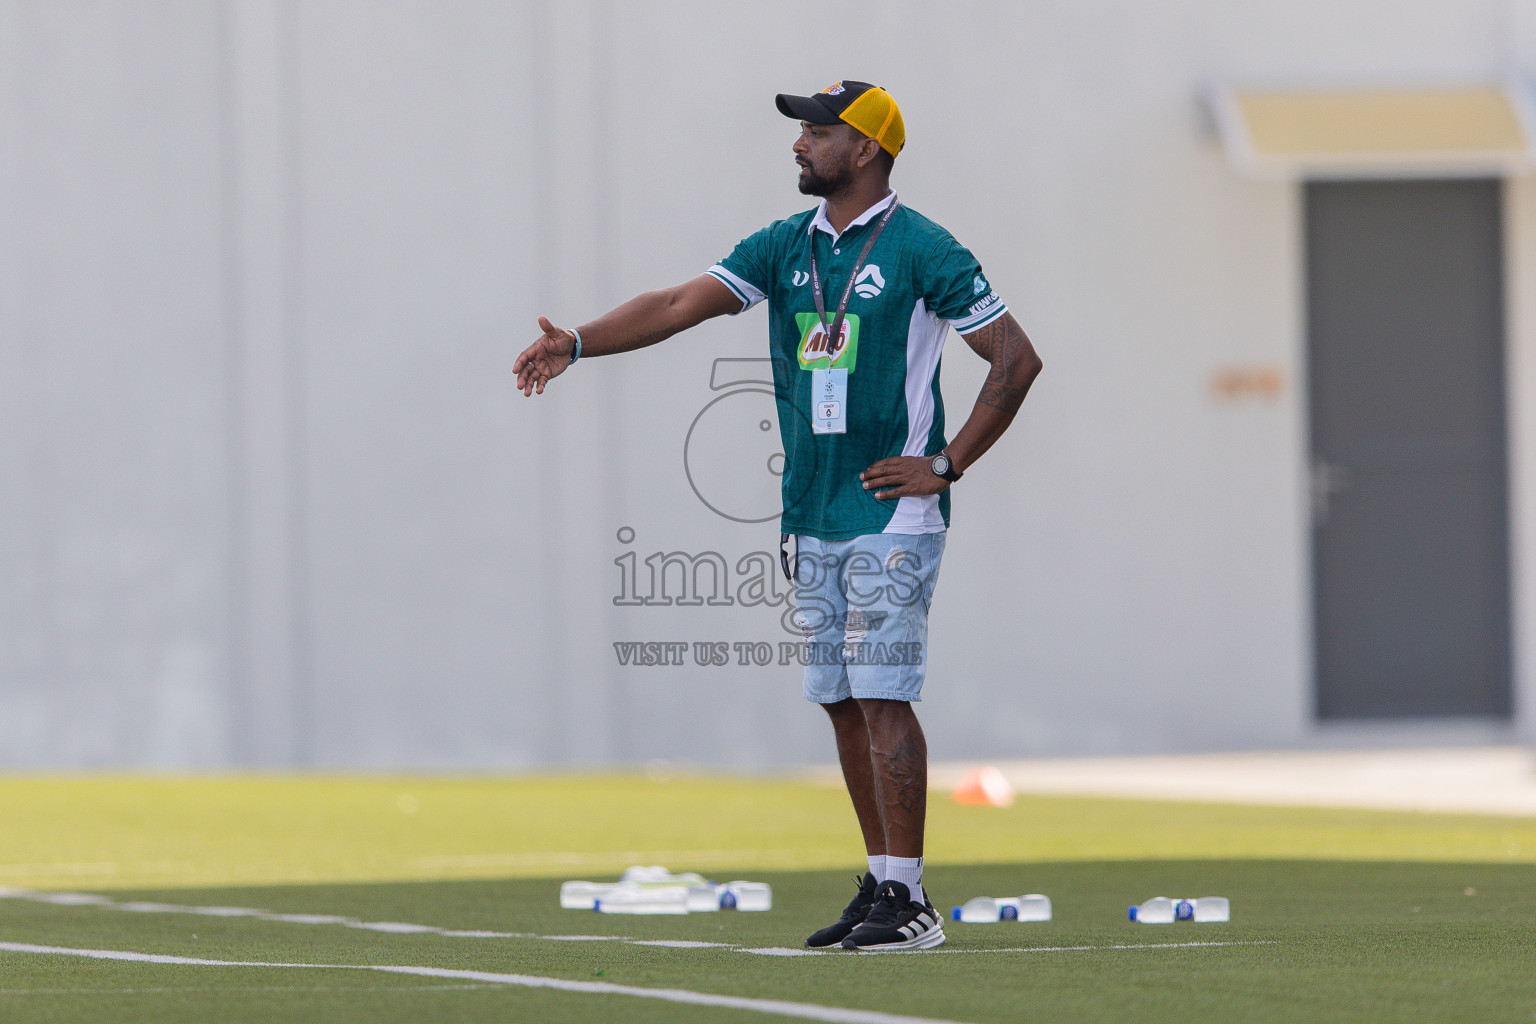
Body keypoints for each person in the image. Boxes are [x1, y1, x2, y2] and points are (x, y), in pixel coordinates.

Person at [514, 80, 1041, 951]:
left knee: (882, 693)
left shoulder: (924, 249)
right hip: (813, 511)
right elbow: (680, 305)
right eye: (800, 130)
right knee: (839, 701)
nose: (798, 143)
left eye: (818, 130)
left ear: (865, 148)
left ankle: (911, 901)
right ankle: (880, 882)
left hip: (889, 516)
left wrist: (946, 465)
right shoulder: (787, 245)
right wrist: (576, 340)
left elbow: (1016, 359)